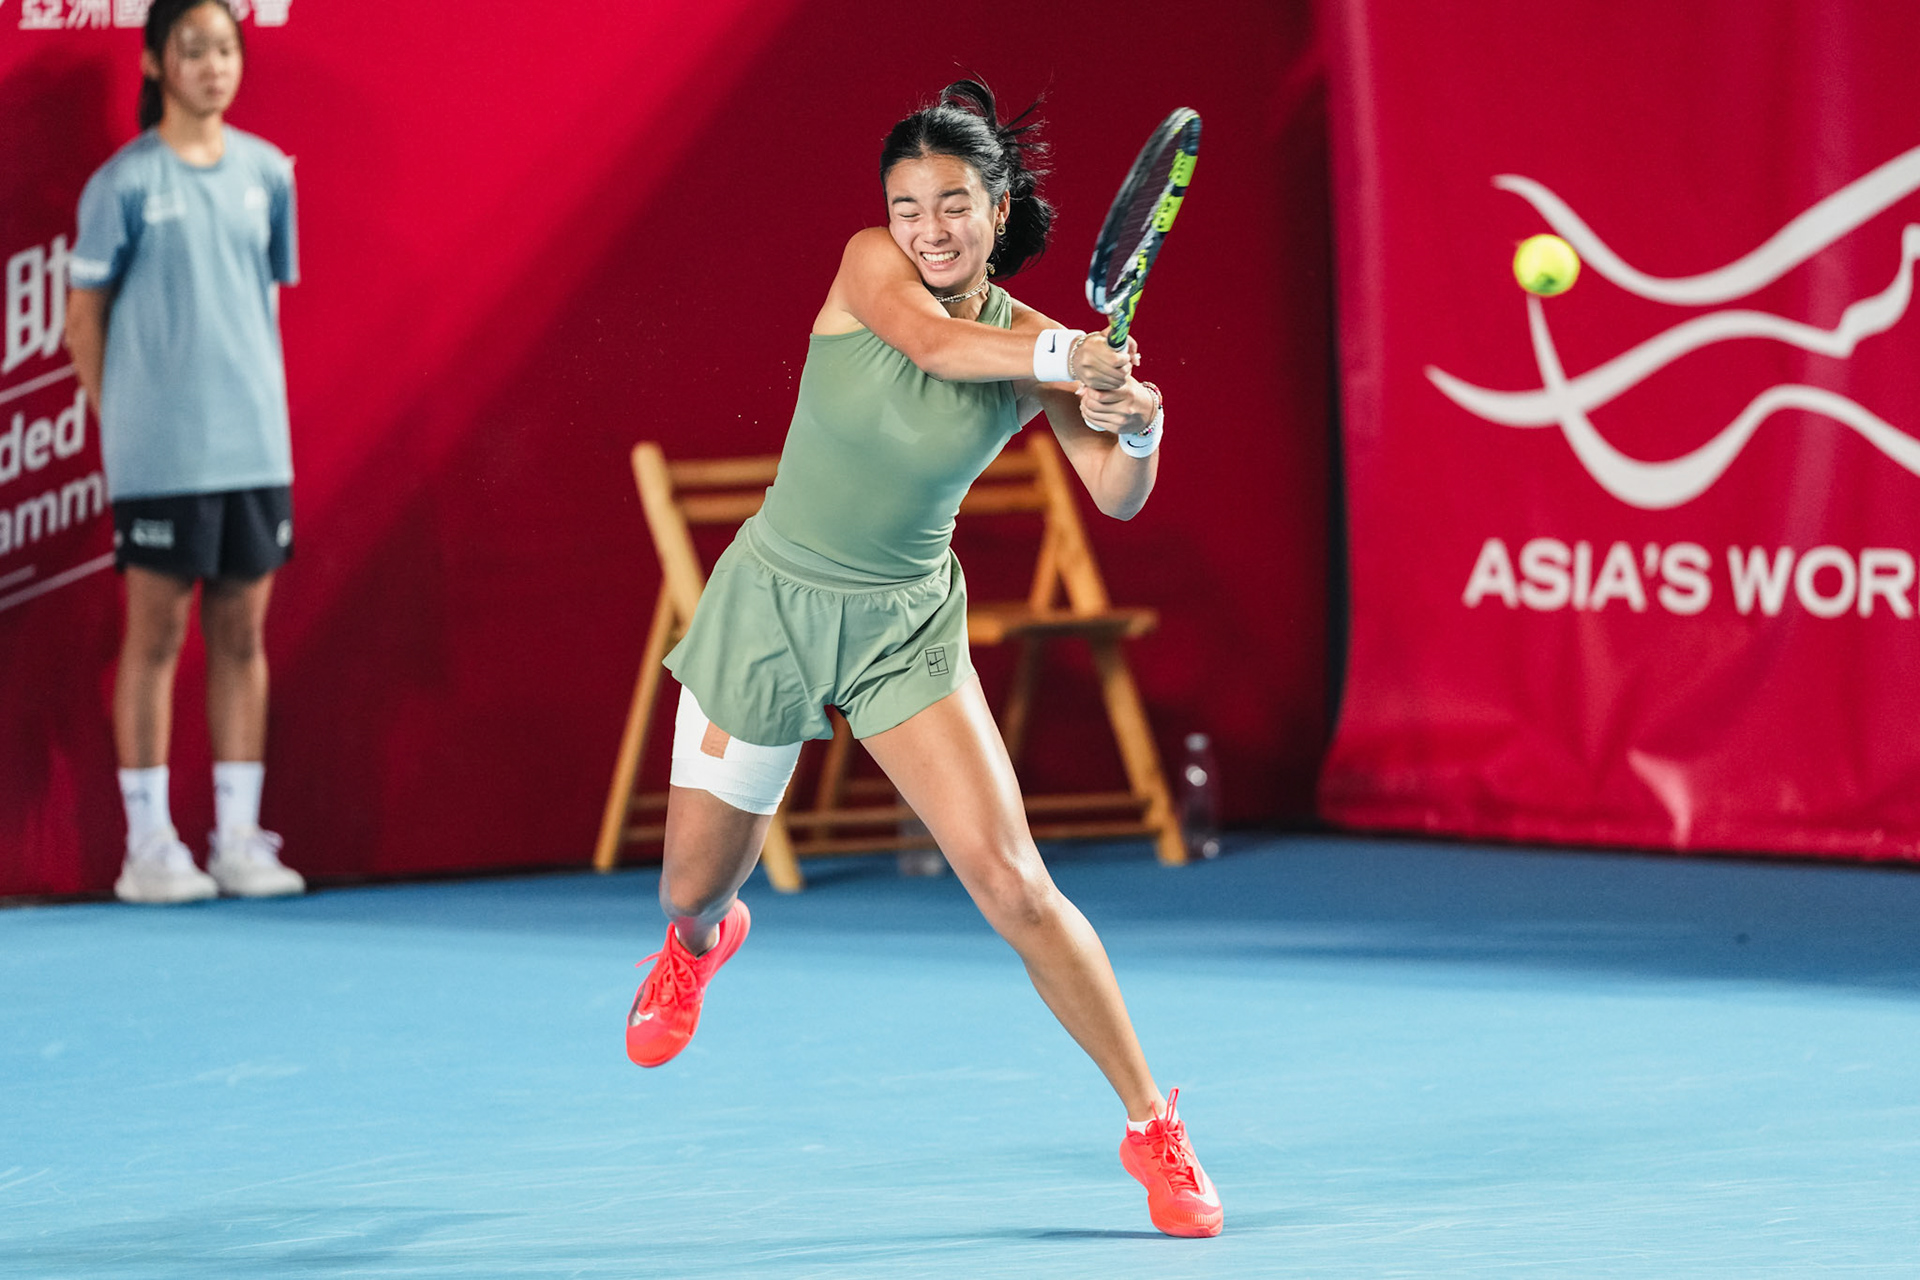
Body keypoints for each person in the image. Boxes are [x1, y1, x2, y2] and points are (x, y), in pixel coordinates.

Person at [625, 81, 1220, 1238]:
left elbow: (1117, 494)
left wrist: (1133, 412)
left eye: (955, 203)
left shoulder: (1041, 352)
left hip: (906, 628)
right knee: (691, 885)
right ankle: (698, 945)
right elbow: (940, 345)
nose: (928, 227)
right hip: (774, 605)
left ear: (1000, 209)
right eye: (909, 206)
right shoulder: (871, 273)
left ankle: (1155, 1125)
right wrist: (1066, 349)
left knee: (1014, 882)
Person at [65, 0, 304, 905]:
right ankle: (150, 847)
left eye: (226, 48)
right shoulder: (121, 185)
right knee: (156, 638)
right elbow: (82, 320)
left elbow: (265, 307)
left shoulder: (268, 173)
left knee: (242, 636)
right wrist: (123, 419)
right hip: (159, 456)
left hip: (255, 450)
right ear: (156, 63)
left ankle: (238, 838)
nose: (213, 64)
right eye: (193, 49)